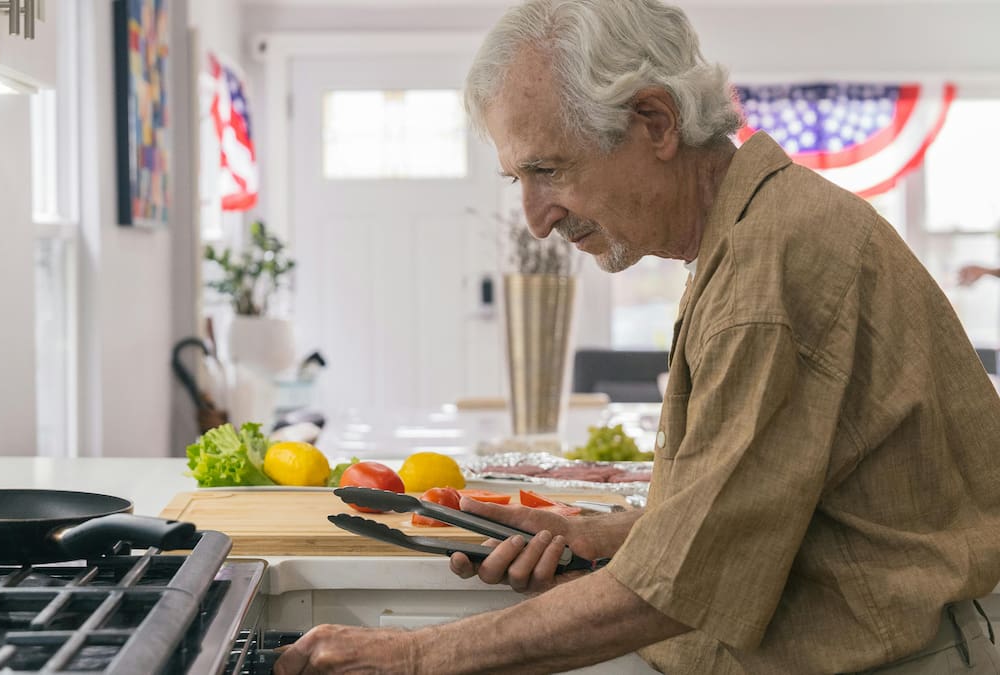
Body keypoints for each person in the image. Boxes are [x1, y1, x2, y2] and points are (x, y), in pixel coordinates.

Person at [273, 0, 1000, 672]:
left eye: (548, 169)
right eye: (519, 180)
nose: (536, 219)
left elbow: (681, 584)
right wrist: (607, 533)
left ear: (656, 122)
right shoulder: (749, 234)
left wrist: (411, 657)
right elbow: (759, 514)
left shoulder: (772, 266)